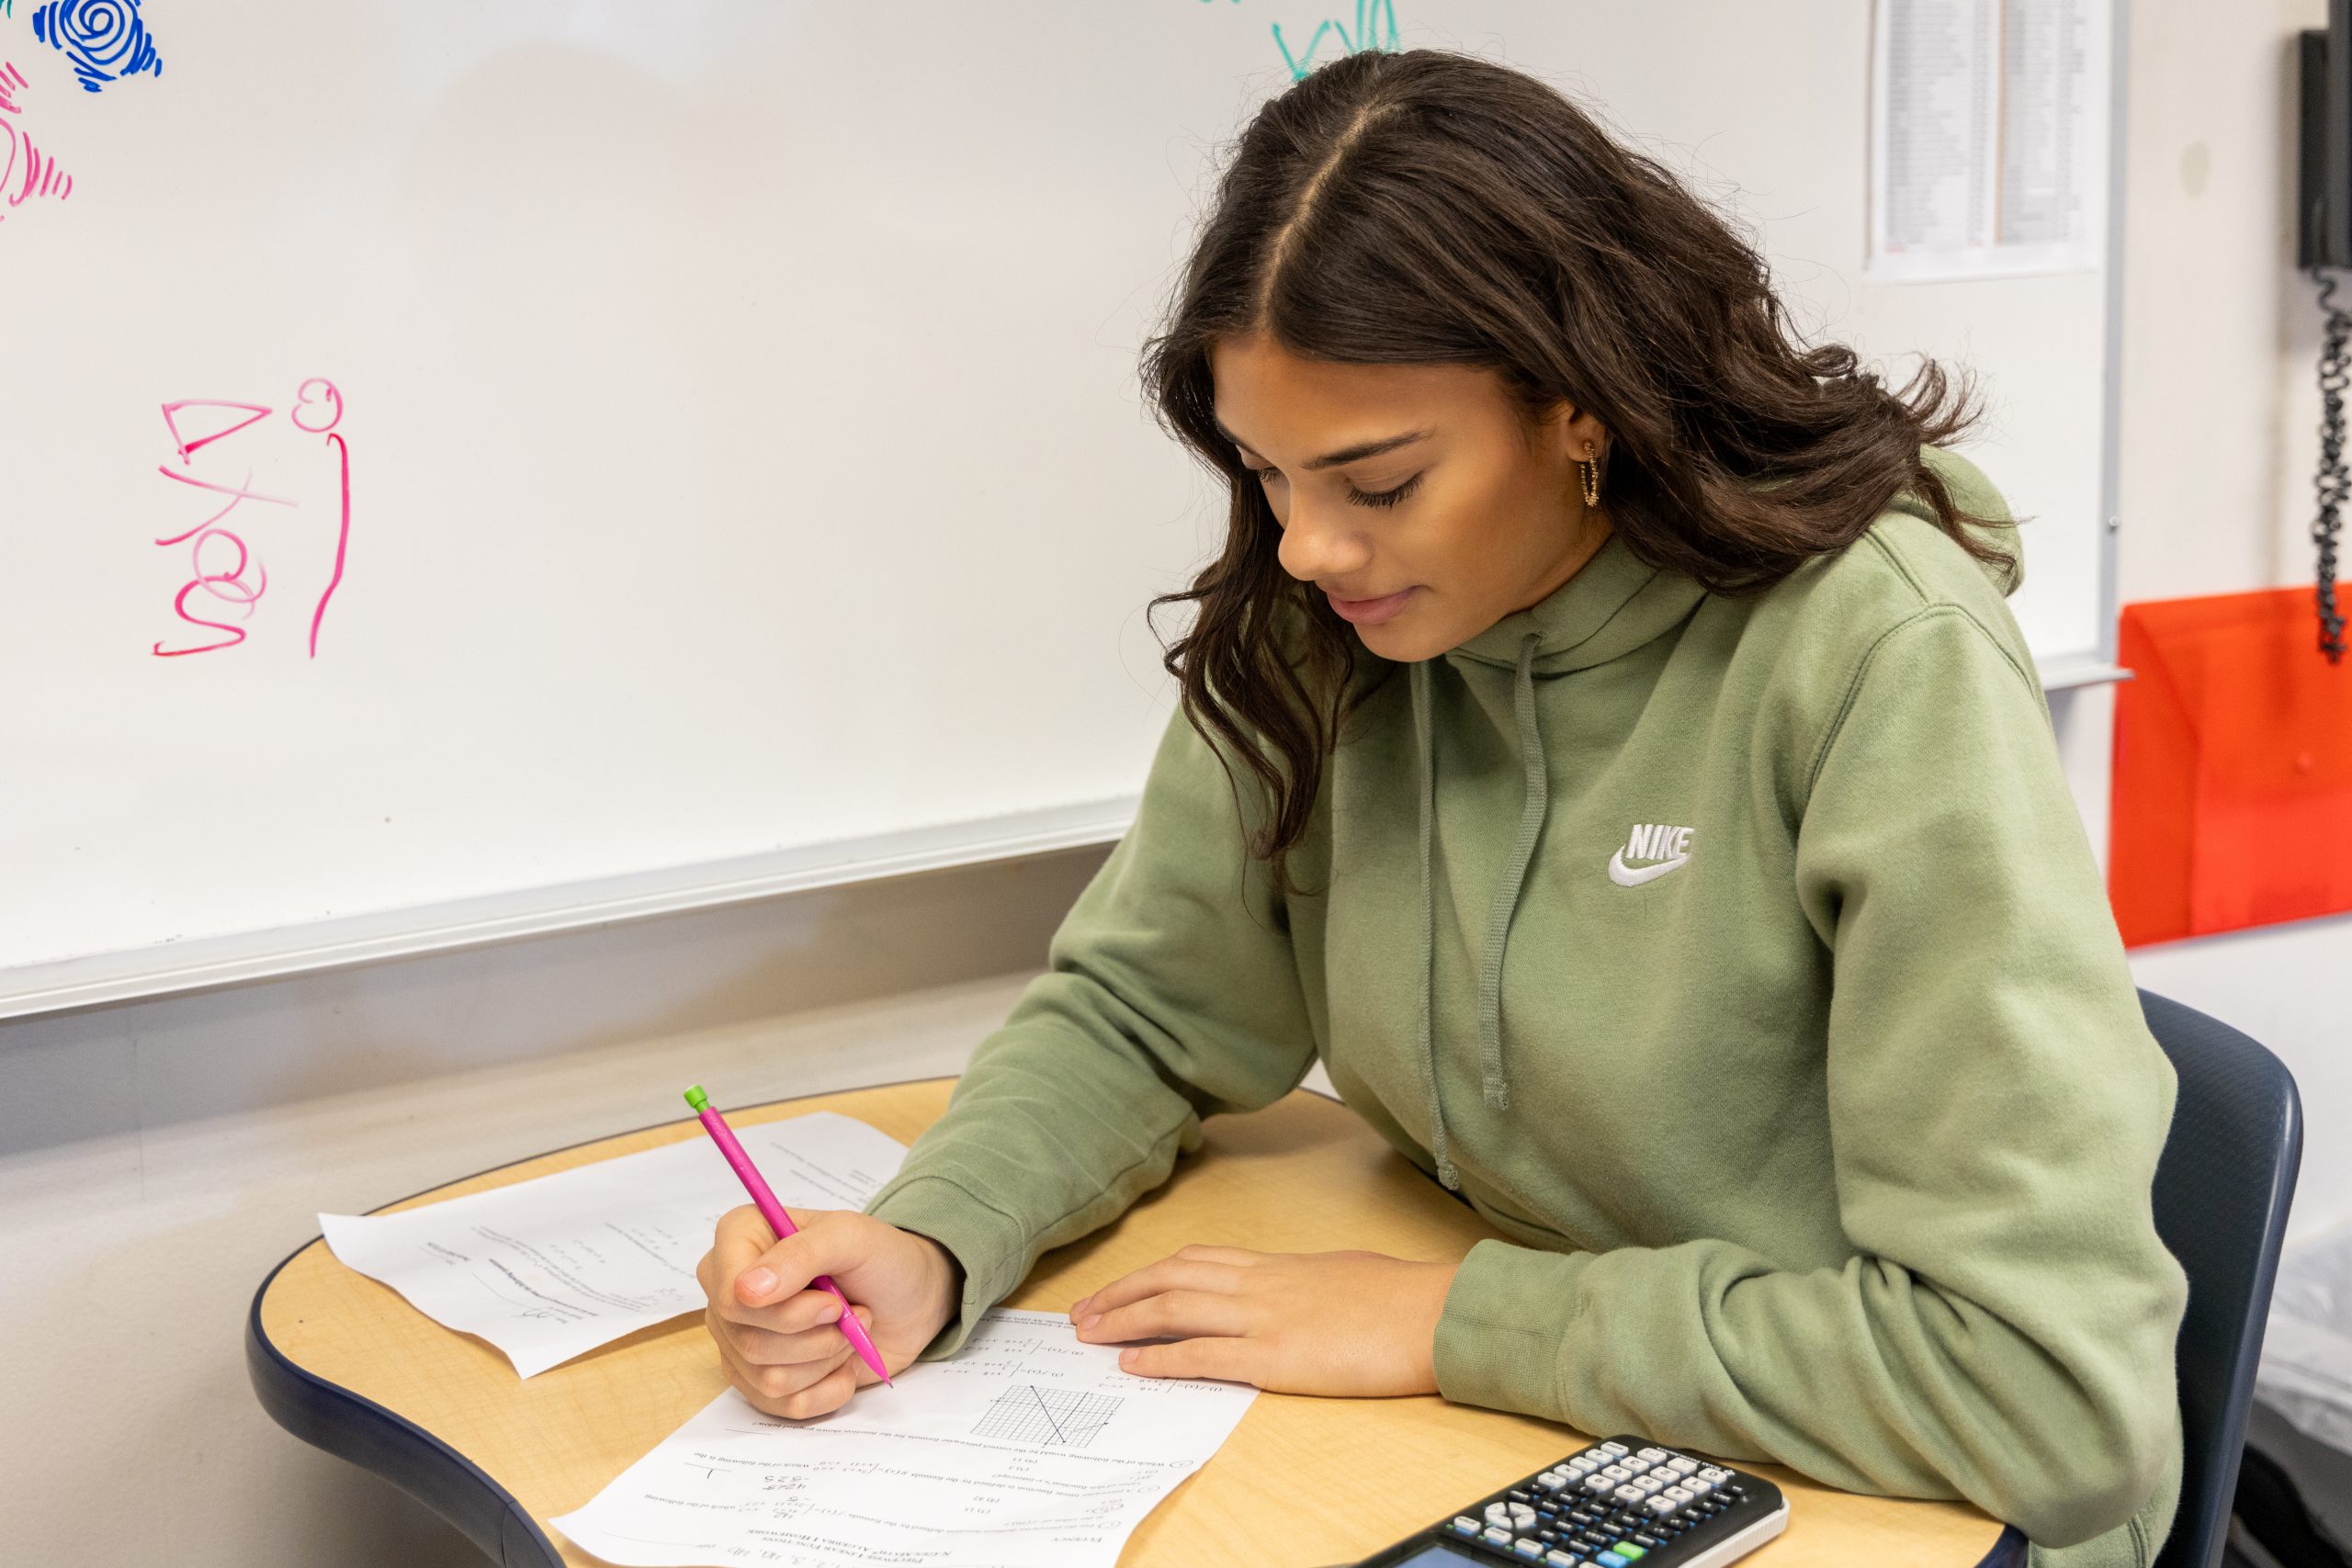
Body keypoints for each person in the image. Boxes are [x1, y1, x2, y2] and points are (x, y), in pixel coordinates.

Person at [694, 48, 2186, 1568]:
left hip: (1892, 1493)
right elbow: (1147, 1009)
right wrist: (939, 1233)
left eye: (1381, 482)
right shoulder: (1343, 622)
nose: (1306, 550)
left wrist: (1458, 1322)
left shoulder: (1877, 658)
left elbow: (2045, 1394)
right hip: (1556, 1422)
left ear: (1580, 416)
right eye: (1267, 475)